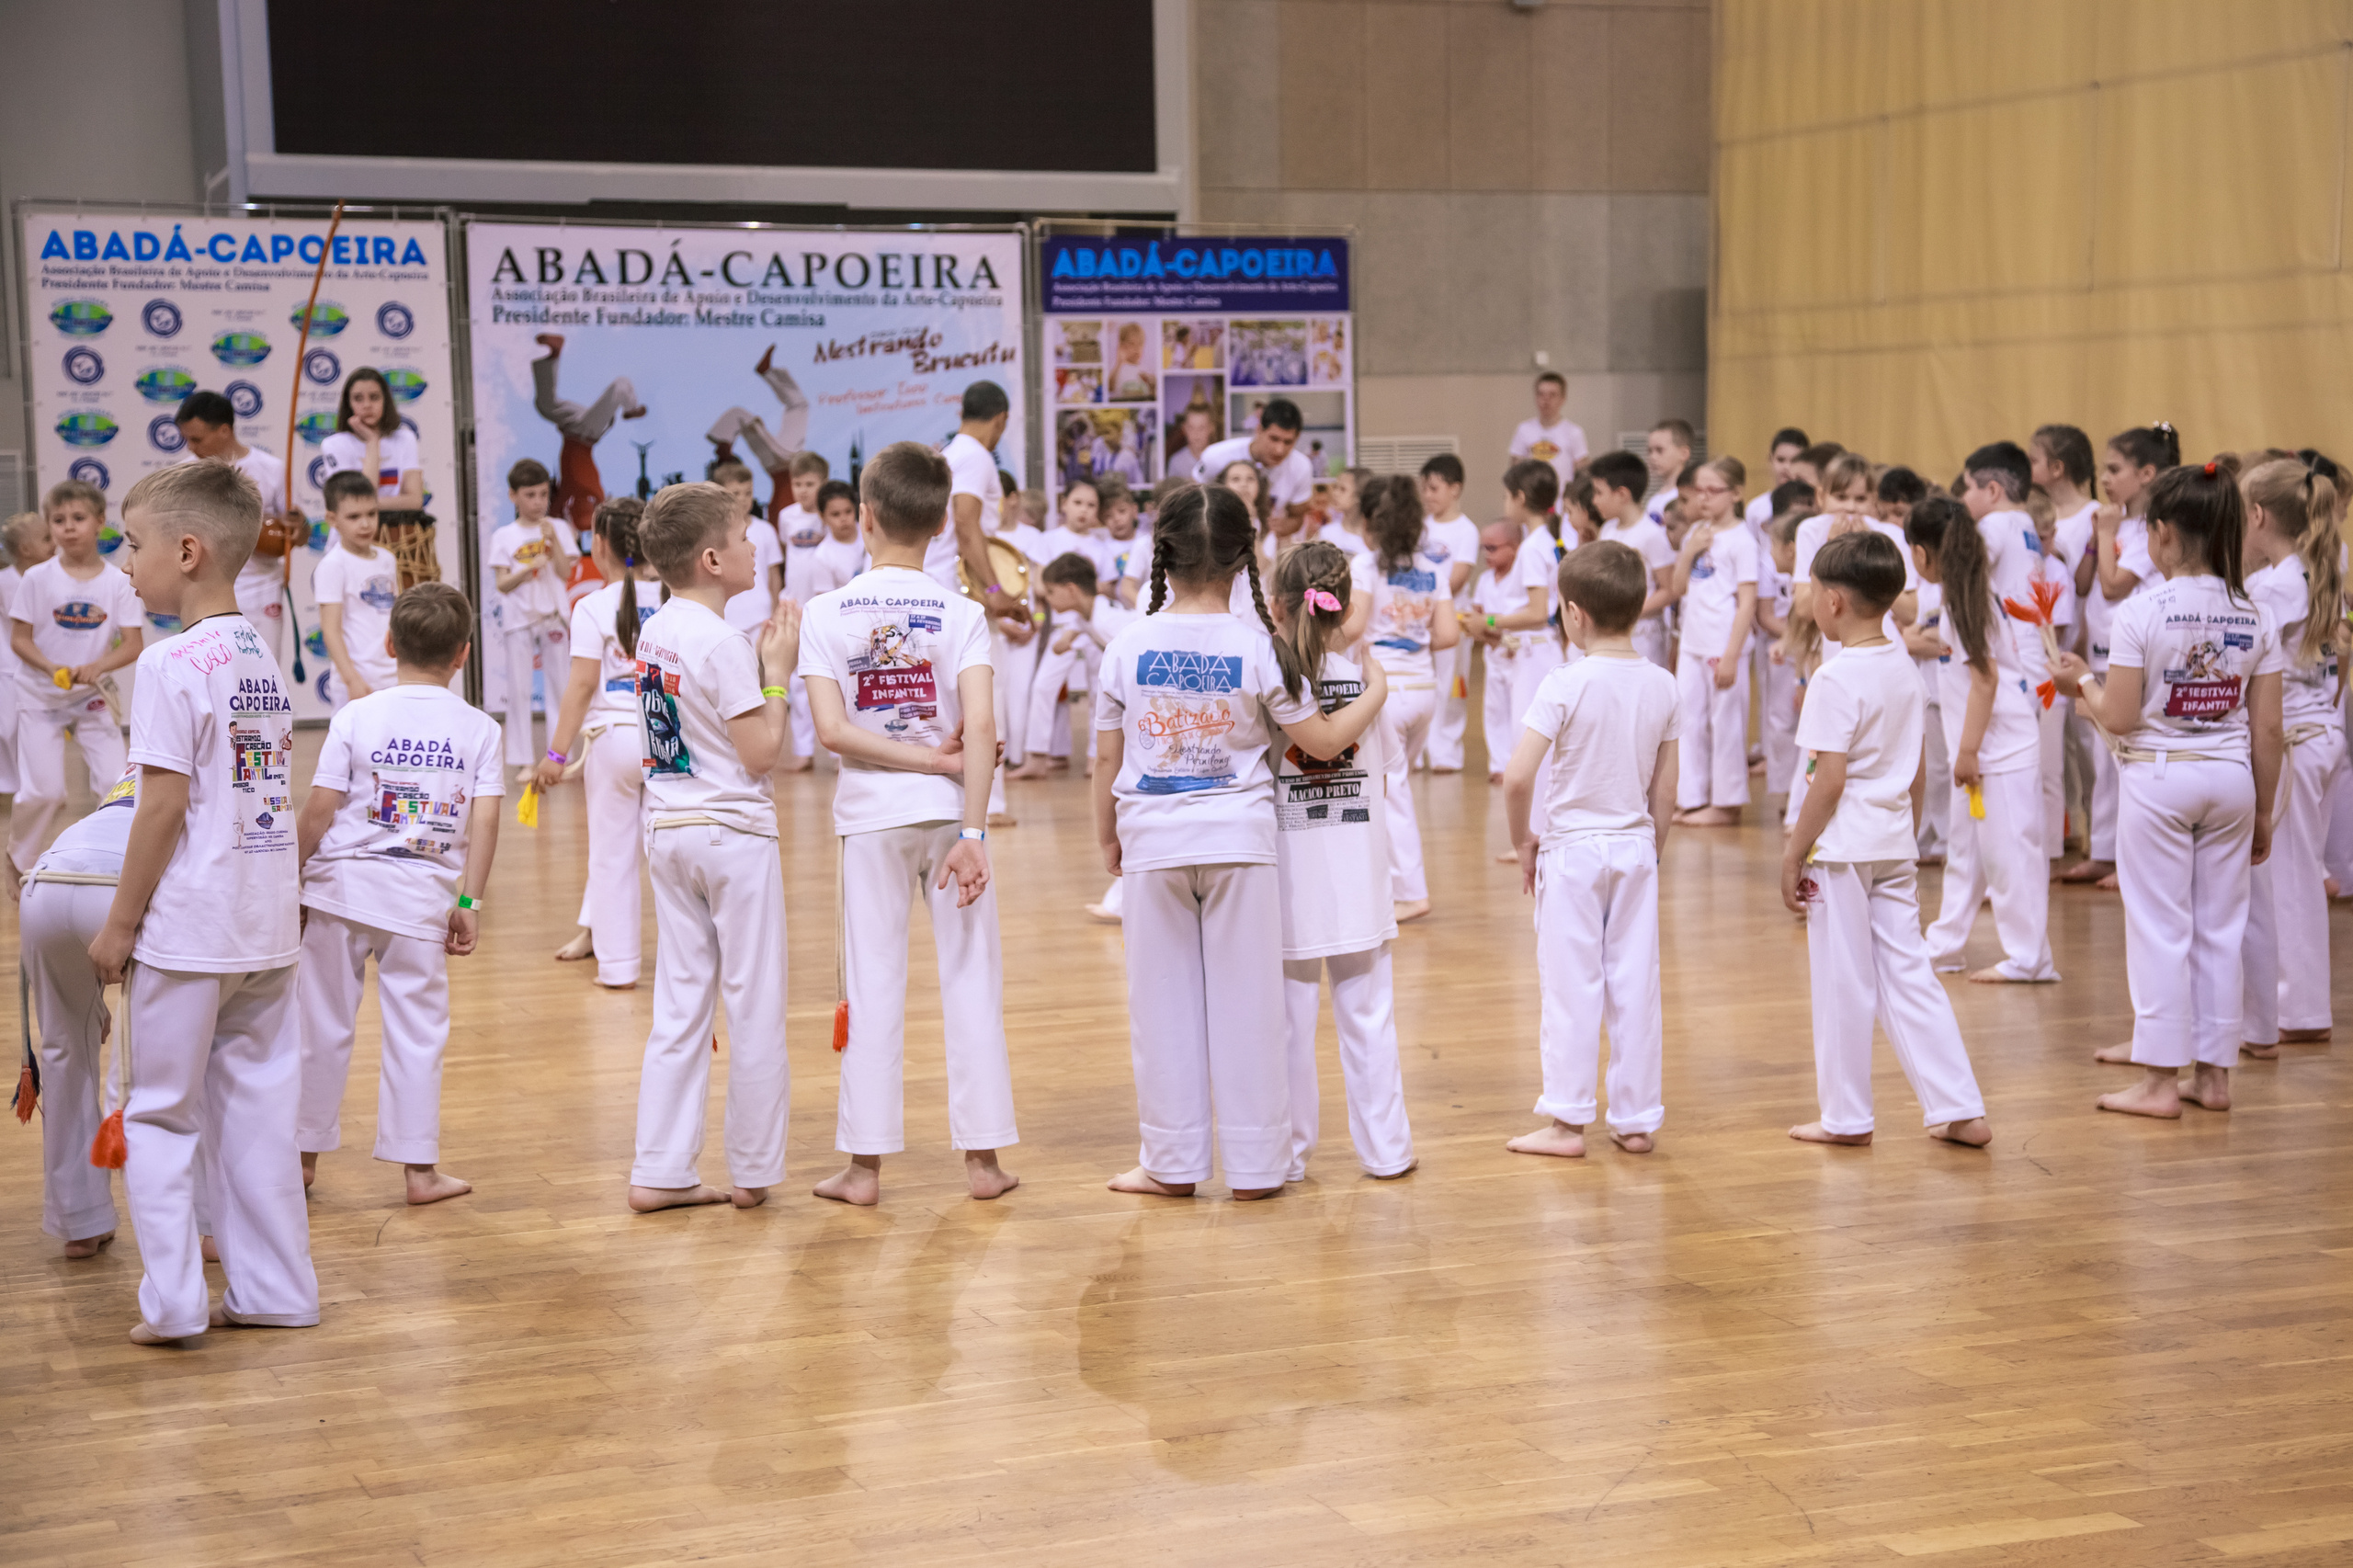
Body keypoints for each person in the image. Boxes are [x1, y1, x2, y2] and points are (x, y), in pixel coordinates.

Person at [1091, 483, 1385, 1199]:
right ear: (1242, 561)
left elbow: (1106, 760)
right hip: (1242, 844)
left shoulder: (1127, 646)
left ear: (1161, 555)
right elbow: (1318, 743)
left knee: (1159, 1009)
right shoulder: (1260, 652)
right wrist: (1375, 693)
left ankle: (1171, 1164)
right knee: (1250, 1009)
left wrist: (1106, 839)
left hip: (1153, 842)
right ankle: (1255, 1169)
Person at [89, 459, 316, 1345]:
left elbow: (164, 804)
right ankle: (275, 1290)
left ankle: (177, 1303)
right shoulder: (257, 649)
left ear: (187, 551)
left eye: (132, 542)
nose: (121, 561)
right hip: (264, 921)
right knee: (258, 1116)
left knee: (160, 1113)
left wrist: (118, 922)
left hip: (193, 925)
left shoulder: (169, 661)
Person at [798, 441, 1017, 1207]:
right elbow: (982, 730)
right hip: (952, 819)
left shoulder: (825, 613)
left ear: (863, 517)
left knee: (875, 982)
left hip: (872, 817)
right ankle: (983, 1165)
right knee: (972, 981)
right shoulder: (961, 614)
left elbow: (831, 732)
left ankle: (864, 1170)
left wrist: (921, 765)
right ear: (936, 529)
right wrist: (975, 831)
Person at [2052, 460, 2283, 1119]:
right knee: (2220, 928)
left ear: (2160, 536)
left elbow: (2118, 717)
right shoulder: (2254, 613)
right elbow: (2268, 729)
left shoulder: (2141, 611)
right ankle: (2213, 1078)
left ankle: (2158, 1082)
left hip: (2159, 778)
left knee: (2159, 929)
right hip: (2232, 778)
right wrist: (2264, 810)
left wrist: (2082, 687)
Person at [1780, 528, 1992, 1151]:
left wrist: (1795, 851)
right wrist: (1908, 829)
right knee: (1910, 974)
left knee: (1843, 981)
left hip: (1842, 850)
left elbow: (1828, 780)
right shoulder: (1903, 665)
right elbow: (1920, 765)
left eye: (1816, 589)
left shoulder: (1835, 677)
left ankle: (1845, 1116)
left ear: (1834, 602)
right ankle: (1958, 1106)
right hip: (1894, 841)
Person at [294, 583, 502, 1208]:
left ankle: (300, 1161)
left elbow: (320, 810)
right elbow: (486, 821)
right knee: (418, 1032)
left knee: (318, 1026)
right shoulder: (480, 729)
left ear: (388, 644)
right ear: (463, 654)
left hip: (339, 892)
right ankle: (418, 1173)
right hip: (420, 903)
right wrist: (469, 904)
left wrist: (291, 880)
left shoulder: (356, 715)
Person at [625, 482, 799, 1212]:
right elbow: (760, 753)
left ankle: (660, 1170)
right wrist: (779, 675)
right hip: (730, 831)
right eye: (743, 536)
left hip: (668, 827)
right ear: (711, 559)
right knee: (754, 1002)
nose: (755, 545)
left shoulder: (655, 629)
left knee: (681, 1003)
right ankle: (754, 1169)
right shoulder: (724, 642)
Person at [1499, 540, 1679, 1158]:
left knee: (1571, 984)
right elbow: (1668, 789)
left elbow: (1519, 776)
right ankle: (1635, 1120)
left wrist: (1521, 839)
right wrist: (1652, 847)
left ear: (1573, 614)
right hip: (1635, 845)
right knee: (1636, 985)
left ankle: (1567, 1122)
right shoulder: (1662, 684)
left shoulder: (1563, 682)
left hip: (1573, 850)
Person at [1264, 541, 1413, 1181]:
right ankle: (1388, 1152)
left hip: (1290, 877)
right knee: (1370, 1017)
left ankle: (1288, 1158)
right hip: (1357, 871)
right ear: (1346, 608)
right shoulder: (1372, 685)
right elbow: (1384, 784)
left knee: (1289, 1029)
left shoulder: (1271, 682)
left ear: (1276, 607)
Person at [1905, 497, 2059, 983]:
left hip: (1998, 751)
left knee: (2012, 856)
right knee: (1966, 854)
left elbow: (1986, 679)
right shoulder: (1962, 597)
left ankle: (2030, 958)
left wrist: (1969, 751)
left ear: (1923, 554)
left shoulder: (1964, 601)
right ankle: (1945, 944)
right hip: (1974, 751)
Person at [2238, 458, 2343, 1054]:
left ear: (2257, 515)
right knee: (2295, 871)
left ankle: (2299, 1008)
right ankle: (2295, 1002)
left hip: (2298, 742)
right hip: (2322, 734)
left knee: (2289, 876)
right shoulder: (2311, 569)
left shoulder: (2272, 585)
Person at [20, 755, 139, 1257]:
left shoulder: (130, 770)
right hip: (117, 888)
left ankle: (80, 1224)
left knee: (64, 1054)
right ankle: (207, 1224)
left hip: (45, 884)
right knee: (182, 1059)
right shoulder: (217, 757)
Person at [538, 498, 659, 988]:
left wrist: (554, 754)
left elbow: (582, 686)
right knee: (671, 855)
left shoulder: (591, 605)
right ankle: (693, 961)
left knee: (612, 857)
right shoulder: (680, 597)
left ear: (600, 545)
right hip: (671, 740)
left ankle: (619, 967)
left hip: (613, 742)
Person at [2059, 424, 2178, 887]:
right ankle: (2103, 848)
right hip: (2102, 654)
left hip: (2138, 656)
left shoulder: (2157, 528)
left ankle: (2128, 858)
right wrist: (2098, 536)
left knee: (2128, 754)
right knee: (2102, 758)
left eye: (2115, 469)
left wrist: (2107, 532)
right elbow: (2087, 583)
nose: (2105, 480)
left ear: (2147, 473)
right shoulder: (2115, 525)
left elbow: (2113, 585)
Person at [9, 481, 142, 876]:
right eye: (58, 520)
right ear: (49, 528)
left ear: (101, 522)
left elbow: (132, 645)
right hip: (39, 698)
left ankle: (117, 864)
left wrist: (98, 666)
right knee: (44, 792)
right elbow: (19, 639)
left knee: (118, 787)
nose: (69, 527)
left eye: (79, 518)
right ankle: (18, 859)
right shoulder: (36, 577)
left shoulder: (118, 581)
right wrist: (51, 669)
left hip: (92, 699)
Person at [1354, 475, 1459, 922]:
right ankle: (1390, 884)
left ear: (1369, 522)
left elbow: (1355, 627)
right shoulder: (1433, 569)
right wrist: (1410, 637)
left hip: (1384, 692)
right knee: (1394, 786)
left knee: (1389, 791)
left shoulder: (1365, 567)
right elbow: (1449, 634)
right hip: (1423, 692)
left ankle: (1412, 892)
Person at [173, 389, 291, 673]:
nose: (190, 447)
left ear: (224, 431)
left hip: (261, 588)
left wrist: (295, 530)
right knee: (212, 674)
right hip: (205, 589)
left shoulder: (272, 469)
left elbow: (298, 531)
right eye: (187, 439)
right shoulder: (183, 474)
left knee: (264, 673)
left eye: (197, 439)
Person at [1669, 457, 1758, 824]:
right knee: (1687, 720)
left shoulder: (1742, 540)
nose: (1703, 498)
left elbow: (1748, 601)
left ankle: (1727, 802)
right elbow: (1676, 589)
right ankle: (1691, 796)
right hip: (1692, 641)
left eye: (1713, 491)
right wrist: (1689, 551)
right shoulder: (1696, 533)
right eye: (1698, 491)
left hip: (1723, 642)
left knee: (1726, 725)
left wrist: (1732, 656)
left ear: (1735, 493)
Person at [486, 458, 579, 774]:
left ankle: (558, 757)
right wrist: (528, 569)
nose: (538, 502)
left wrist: (552, 544)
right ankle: (524, 761)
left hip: (553, 615)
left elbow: (567, 573)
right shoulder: (504, 536)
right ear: (513, 496)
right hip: (519, 619)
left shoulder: (560, 528)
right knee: (519, 690)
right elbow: (502, 584)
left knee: (559, 687)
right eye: (530, 495)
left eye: (543, 494)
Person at [530, 333, 647, 536]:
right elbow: (605, 508)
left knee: (545, 405)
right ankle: (632, 408)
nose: (582, 507)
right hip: (588, 433)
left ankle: (554, 354)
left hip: (572, 428)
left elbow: (553, 513)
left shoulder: (567, 492)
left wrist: (558, 522)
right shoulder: (594, 491)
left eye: (579, 512)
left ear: (572, 510)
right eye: (586, 511)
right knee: (620, 386)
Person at [311, 471, 400, 708]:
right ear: (332, 519)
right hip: (357, 681)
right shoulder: (333, 566)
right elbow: (330, 631)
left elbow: (394, 619)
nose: (365, 523)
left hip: (394, 677)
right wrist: (352, 680)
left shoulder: (387, 559)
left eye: (372, 513)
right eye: (353, 516)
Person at [1415, 454, 1481, 772]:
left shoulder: (1466, 530)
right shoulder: (1420, 527)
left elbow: (1458, 578)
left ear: (1455, 489)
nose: (1428, 495)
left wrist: (1431, 602)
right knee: (1423, 682)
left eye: (1434, 488)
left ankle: (1445, 753)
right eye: (1425, 489)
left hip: (1453, 618)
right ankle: (1415, 752)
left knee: (1452, 685)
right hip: (1420, 618)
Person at [1587, 450, 1677, 668]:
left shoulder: (1651, 534)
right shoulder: (1607, 530)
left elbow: (1668, 589)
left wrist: (1628, 613)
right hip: (1610, 631)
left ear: (1622, 494)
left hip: (1643, 633)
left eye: (1599, 492)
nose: (1594, 500)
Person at [778, 452, 833, 771]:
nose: (803, 490)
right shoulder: (787, 517)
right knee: (797, 682)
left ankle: (840, 754)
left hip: (824, 604)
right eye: (797, 484)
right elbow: (789, 561)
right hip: (796, 604)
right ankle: (802, 750)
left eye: (810, 484)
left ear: (822, 483)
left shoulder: (831, 516)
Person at [1189, 397, 1313, 529]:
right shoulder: (1215, 456)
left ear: (1297, 438)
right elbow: (1191, 500)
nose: (1279, 450)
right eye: (1274, 439)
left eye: (1288, 442)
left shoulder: (1302, 467)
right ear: (1259, 430)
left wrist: (1280, 528)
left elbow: (1296, 517)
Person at [1468, 519, 1529, 783]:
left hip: (1519, 653)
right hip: (1493, 654)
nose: (1486, 555)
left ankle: (1518, 762)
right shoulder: (1484, 580)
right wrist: (1480, 629)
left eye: (1493, 548)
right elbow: (1478, 614)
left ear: (1514, 548)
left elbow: (1524, 620)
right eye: (1483, 548)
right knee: (1494, 711)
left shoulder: (1522, 578)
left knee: (1519, 711)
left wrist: (1495, 627)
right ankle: (1499, 763)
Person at [0, 510, 54, 799]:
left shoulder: (51, 577)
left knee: (32, 727)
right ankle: (10, 782)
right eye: (47, 538)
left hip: (41, 663)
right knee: (7, 726)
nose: (54, 543)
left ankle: (32, 781)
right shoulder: (4, 580)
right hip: (7, 665)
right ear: (25, 550)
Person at [318, 367, 423, 508]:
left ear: (385, 401)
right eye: (358, 399)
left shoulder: (405, 438)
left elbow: (415, 501)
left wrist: (368, 504)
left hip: (393, 528)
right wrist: (372, 441)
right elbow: (357, 503)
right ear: (348, 404)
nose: (367, 405)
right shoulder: (334, 444)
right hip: (351, 530)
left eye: (374, 397)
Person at [1508, 371, 1589, 496]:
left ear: (1562, 399)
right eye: (1541, 394)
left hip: (1562, 502)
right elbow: (1515, 470)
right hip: (1532, 501)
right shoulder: (1524, 429)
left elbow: (1583, 473)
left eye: (1552, 395)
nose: (1546, 400)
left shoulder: (1574, 432)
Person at [1745, 428, 1810, 528]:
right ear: (1770, 459)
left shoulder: (1812, 507)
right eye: (1780, 460)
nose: (1787, 467)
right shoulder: (1755, 509)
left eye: (1795, 460)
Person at [1643, 420, 1696, 528]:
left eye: (1659, 450)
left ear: (1683, 453)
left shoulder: (1687, 497)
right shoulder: (1654, 499)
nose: (1652, 457)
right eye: (1650, 451)